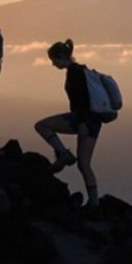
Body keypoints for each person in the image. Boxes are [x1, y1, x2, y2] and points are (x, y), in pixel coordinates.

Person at [34, 39, 102, 210]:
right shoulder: (82, 70)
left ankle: (63, 154)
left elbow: (82, 100)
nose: (53, 64)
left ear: (60, 57)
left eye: (53, 60)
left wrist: (82, 123)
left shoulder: (74, 73)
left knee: (42, 126)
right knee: (84, 165)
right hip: (94, 122)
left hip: (81, 119)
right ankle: (94, 203)